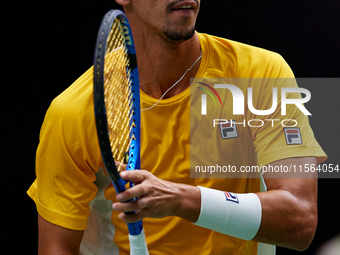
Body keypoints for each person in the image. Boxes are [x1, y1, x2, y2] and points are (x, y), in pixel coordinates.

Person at [27, 0, 327, 254]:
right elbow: (57, 248)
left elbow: (301, 220)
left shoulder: (263, 73)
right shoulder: (73, 111)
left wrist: (181, 200)